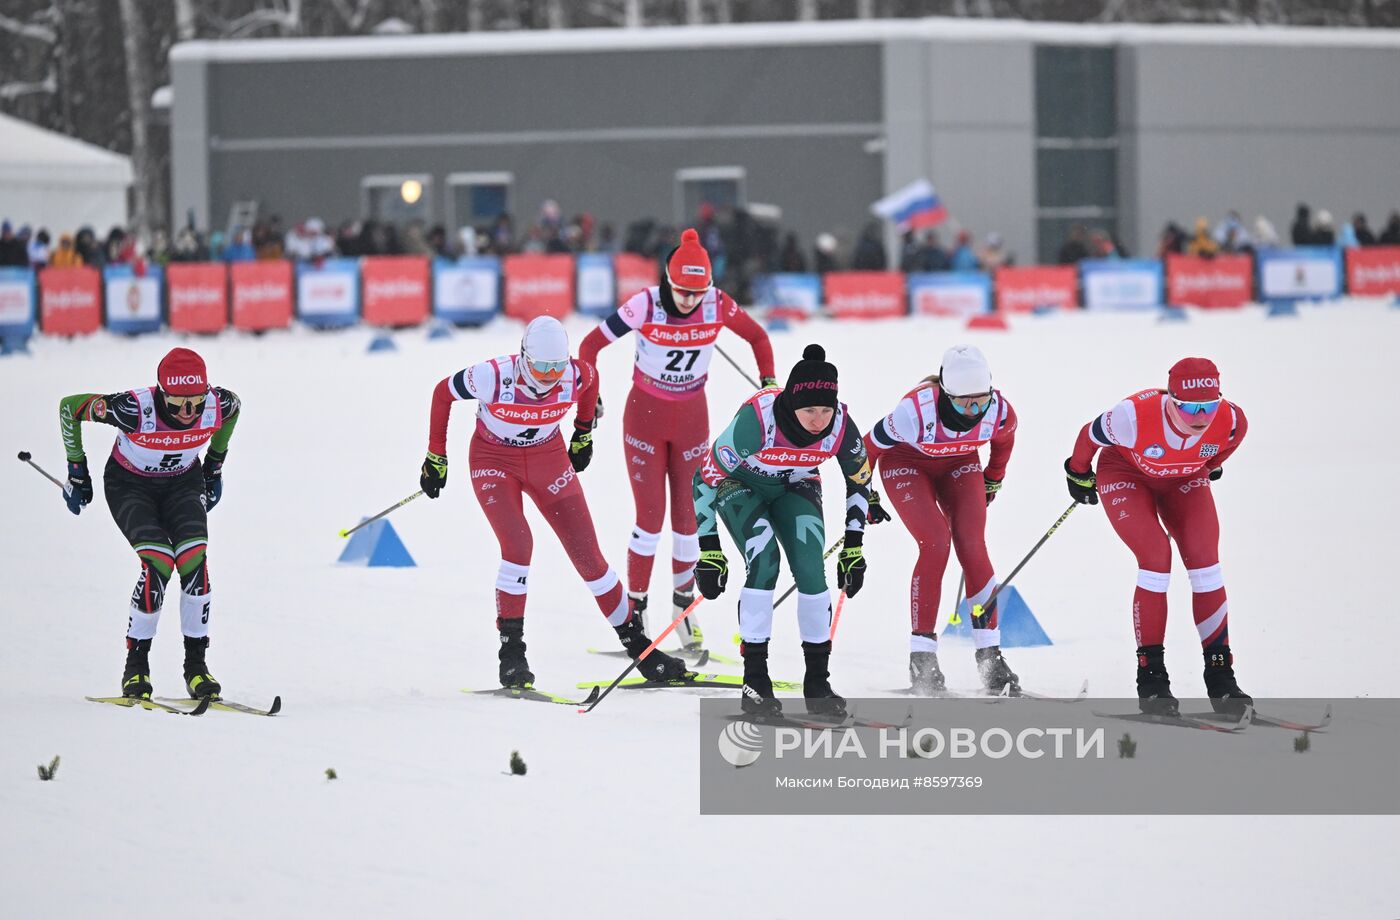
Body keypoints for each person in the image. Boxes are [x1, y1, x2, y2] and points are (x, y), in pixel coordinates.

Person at [420, 316, 690, 689]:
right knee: (518, 545)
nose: (549, 376)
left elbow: (590, 381)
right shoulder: (492, 376)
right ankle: (512, 654)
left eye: (556, 367)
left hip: (548, 461)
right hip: (494, 461)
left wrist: (582, 433)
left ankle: (642, 649)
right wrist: (437, 456)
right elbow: (441, 392)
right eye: (541, 367)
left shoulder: (575, 375)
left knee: (590, 558)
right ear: (523, 357)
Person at [578, 228, 775, 654]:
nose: (690, 301)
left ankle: (683, 609)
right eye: (683, 292)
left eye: (697, 292)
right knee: (650, 518)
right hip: (644, 419)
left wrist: (769, 383)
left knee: (689, 519)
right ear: (668, 282)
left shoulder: (717, 304)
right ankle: (635, 611)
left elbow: (758, 337)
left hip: (690, 419)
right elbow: (589, 346)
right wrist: (589, 399)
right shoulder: (643, 305)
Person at [691, 344, 879, 718]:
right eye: (810, 410)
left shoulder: (841, 425)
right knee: (765, 561)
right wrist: (709, 550)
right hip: (740, 485)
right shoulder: (757, 422)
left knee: (812, 570)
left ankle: (817, 684)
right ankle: (755, 681)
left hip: (796, 485)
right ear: (792, 403)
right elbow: (704, 479)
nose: (818, 420)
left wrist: (854, 547)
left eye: (826, 410)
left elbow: (860, 482)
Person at [1063, 357, 1249, 715]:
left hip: (1182, 480)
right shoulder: (1131, 416)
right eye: (1190, 407)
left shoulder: (1231, 419)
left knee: (1206, 564)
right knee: (1156, 560)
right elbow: (1088, 435)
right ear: (1171, 400)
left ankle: (1221, 677)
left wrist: (1206, 466)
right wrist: (1078, 474)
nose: (1200, 416)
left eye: (1209, 406)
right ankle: (1152, 680)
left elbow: (1226, 446)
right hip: (1126, 475)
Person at [58, 348, 240, 699]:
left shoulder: (220, 404)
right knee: (158, 562)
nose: (188, 413)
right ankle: (136, 668)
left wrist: (214, 466)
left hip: (183, 484)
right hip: (130, 486)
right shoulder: (132, 409)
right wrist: (77, 470)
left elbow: (235, 411)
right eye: (176, 405)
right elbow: (70, 407)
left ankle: (196, 668)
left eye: (196, 403)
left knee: (193, 559)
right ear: (160, 393)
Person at [864, 345, 1021, 695]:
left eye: (981, 400)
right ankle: (922, 658)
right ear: (946, 394)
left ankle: (990, 656)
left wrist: (993, 477)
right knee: (935, 543)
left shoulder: (999, 412)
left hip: (958, 464)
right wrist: (865, 494)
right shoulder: (913, 413)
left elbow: (1003, 442)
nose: (974, 410)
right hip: (906, 462)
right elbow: (867, 448)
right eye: (964, 402)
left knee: (972, 544)